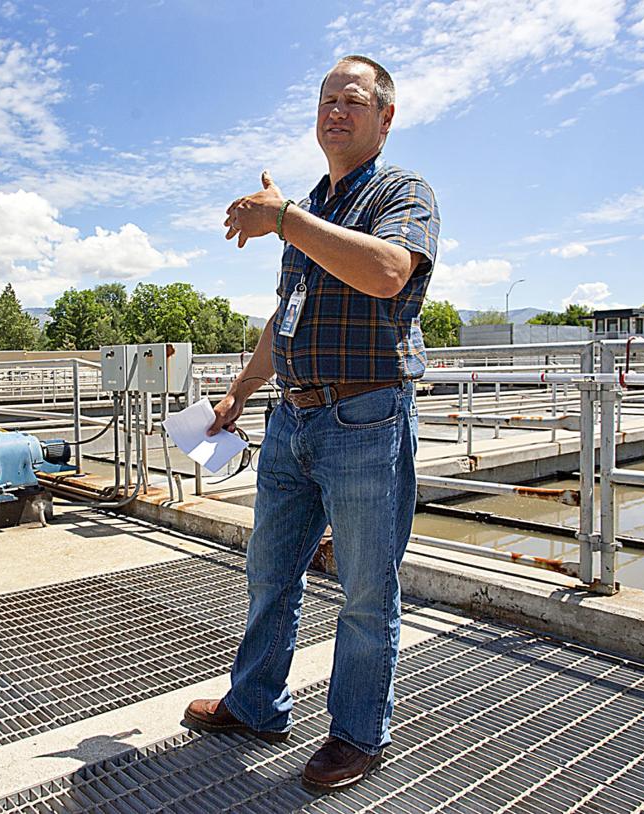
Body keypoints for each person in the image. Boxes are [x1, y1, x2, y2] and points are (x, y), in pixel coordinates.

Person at [182, 55, 440, 793]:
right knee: (269, 569)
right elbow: (286, 316)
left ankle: (357, 733)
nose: (335, 111)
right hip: (293, 417)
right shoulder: (312, 210)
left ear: (385, 118)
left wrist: (289, 219)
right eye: (326, 99)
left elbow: (390, 271)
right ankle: (256, 703)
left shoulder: (402, 191)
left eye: (352, 100)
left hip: (366, 415)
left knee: (364, 587)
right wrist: (238, 391)